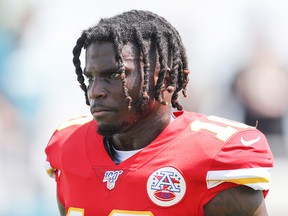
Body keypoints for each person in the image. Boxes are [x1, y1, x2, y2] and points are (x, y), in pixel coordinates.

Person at [45, 10, 273, 216]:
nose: (95, 92)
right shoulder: (68, 147)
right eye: (91, 78)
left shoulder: (214, 157)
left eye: (114, 75)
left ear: (164, 80)